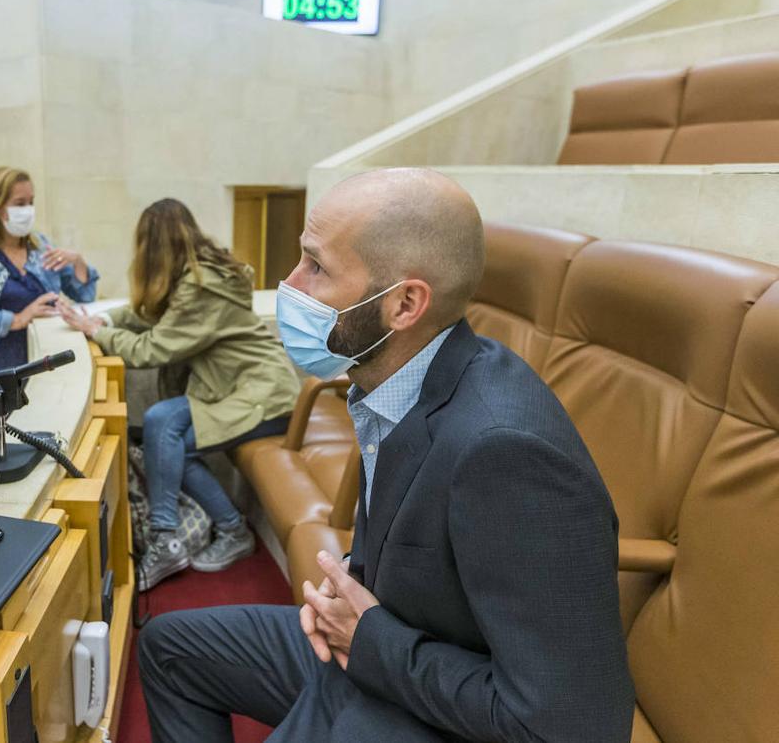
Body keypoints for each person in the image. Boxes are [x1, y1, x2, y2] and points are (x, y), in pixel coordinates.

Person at [138, 169, 634, 742]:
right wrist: (351, 584)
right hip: (387, 653)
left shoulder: (505, 452)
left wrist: (369, 637)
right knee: (169, 649)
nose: (290, 283)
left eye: (316, 267)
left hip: (435, 705)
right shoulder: (401, 380)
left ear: (403, 305)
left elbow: (569, 723)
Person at [60, 198, 298, 590]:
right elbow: (149, 315)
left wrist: (96, 331)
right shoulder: (197, 276)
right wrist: (104, 318)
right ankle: (183, 535)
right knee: (162, 429)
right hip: (234, 389)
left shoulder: (203, 287)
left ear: (151, 246)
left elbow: (150, 348)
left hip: (263, 393)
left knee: (165, 435)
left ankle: (192, 535)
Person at [0, 166, 98, 379]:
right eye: (19, 204)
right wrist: (17, 319)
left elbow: (85, 295)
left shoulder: (40, 245)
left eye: (31, 202)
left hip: (40, 364)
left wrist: (78, 261)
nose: (28, 210)